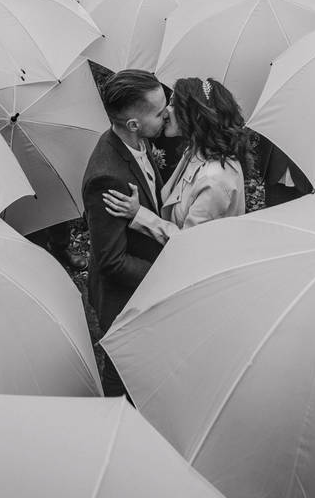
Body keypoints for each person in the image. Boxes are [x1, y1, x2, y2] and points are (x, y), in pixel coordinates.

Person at [82, 69, 168, 397]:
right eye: (160, 113)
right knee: (122, 382)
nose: (167, 114)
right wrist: (164, 275)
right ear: (133, 124)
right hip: (124, 303)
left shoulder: (137, 143)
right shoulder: (108, 178)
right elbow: (111, 262)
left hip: (143, 292)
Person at [102, 77, 249, 245]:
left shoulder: (214, 181)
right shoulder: (195, 149)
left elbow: (188, 243)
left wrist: (139, 215)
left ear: (195, 117)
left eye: (173, 105)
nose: (166, 112)